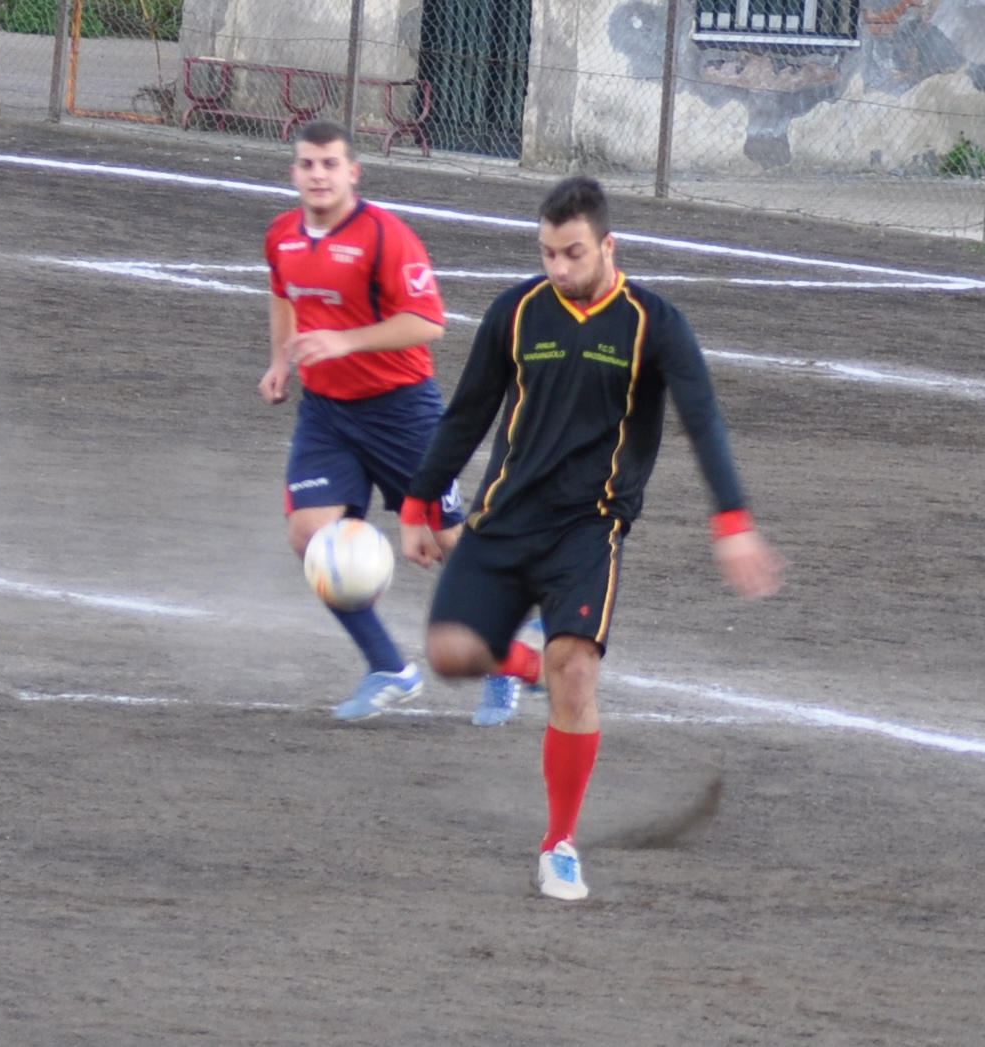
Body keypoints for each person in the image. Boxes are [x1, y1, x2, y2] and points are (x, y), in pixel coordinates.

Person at [400, 176, 786, 900]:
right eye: (547, 253)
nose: (558, 267)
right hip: (501, 521)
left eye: (572, 253)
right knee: (449, 654)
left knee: (575, 672)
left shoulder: (654, 324)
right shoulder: (516, 312)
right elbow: (468, 412)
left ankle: (559, 844)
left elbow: (703, 418)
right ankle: (522, 665)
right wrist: (419, 500)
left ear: (609, 245)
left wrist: (733, 522)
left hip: (587, 529)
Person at [258, 118, 517, 721]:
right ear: (294, 172)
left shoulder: (385, 236)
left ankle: (505, 657)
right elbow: (282, 292)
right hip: (327, 414)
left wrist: (344, 341)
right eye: (307, 164)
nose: (318, 175)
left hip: (402, 411)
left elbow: (428, 322)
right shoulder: (282, 235)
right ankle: (389, 668)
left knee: (450, 542)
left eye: (330, 164)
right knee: (310, 535)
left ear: (353, 172)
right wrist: (280, 361)